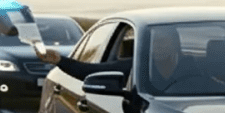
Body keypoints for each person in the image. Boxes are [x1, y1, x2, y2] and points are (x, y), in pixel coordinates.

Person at [36, 25, 199, 91]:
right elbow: (90, 71)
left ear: (175, 44)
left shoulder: (195, 68)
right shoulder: (133, 67)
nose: (157, 47)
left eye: (163, 42)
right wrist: (60, 60)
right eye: (154, 42)